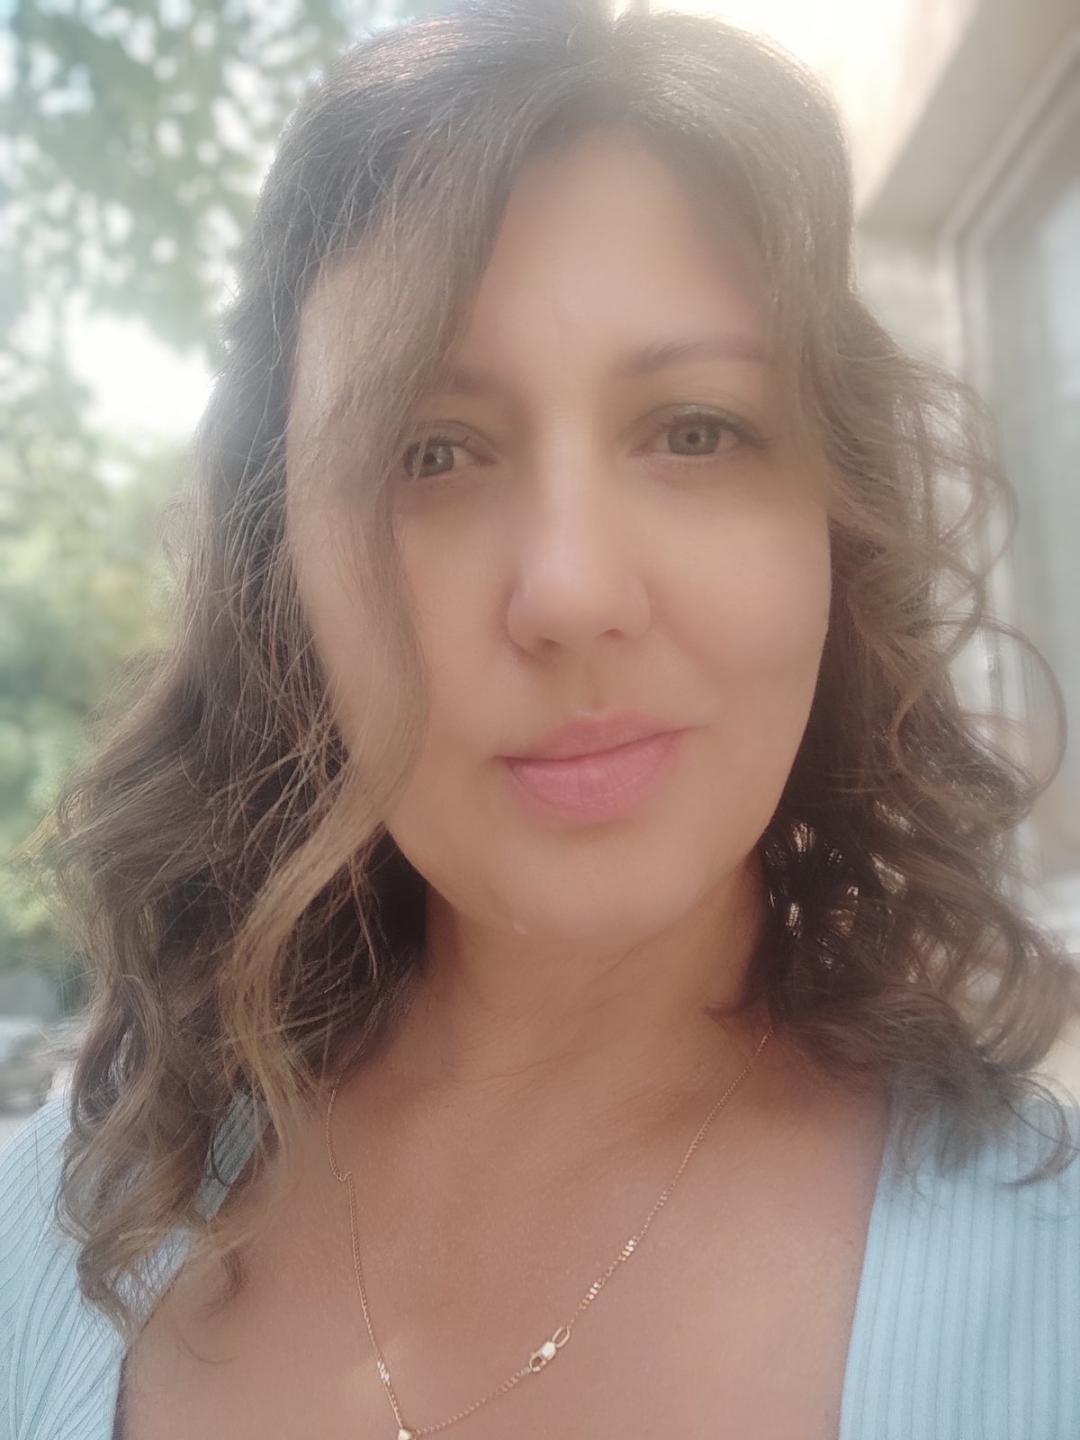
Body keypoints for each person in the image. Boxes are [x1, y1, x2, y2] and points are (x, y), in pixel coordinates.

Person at [2, 1, 1079, 1437]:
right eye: (431, 451)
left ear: (838, 531)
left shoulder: (1047, 1287)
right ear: (283, 583)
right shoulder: (51, 1236)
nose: (571, 591)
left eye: (697, 429)